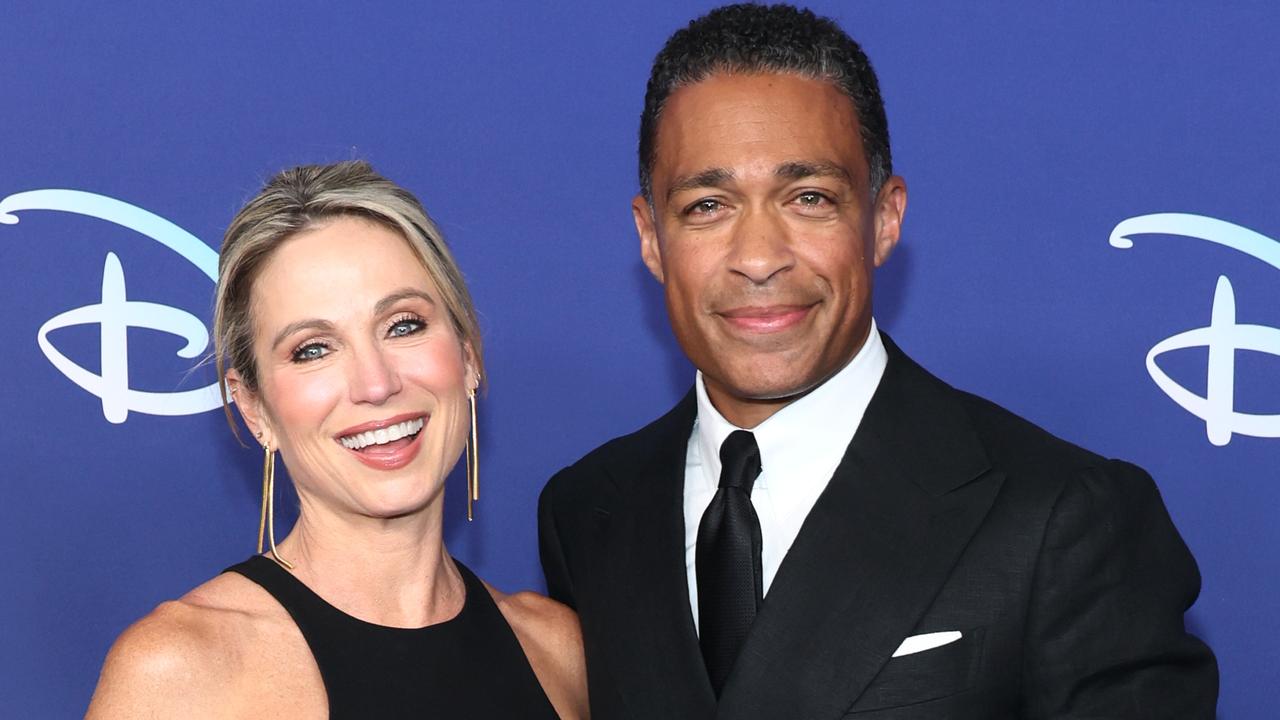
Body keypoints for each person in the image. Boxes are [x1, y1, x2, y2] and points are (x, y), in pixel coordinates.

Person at [538, 4, 1217, 718]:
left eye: (809, 198)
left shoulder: (1064, 519)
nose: (760, 257)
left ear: (884, 220)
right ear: (651, 238)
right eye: (708, 205)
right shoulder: (589, 512)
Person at [87, 161, 587, 719]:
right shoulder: (181, 672)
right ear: (255, 409)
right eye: (313, 349)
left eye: (403, 325)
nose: (376, 384)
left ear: (467, 355)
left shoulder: (559, 651)